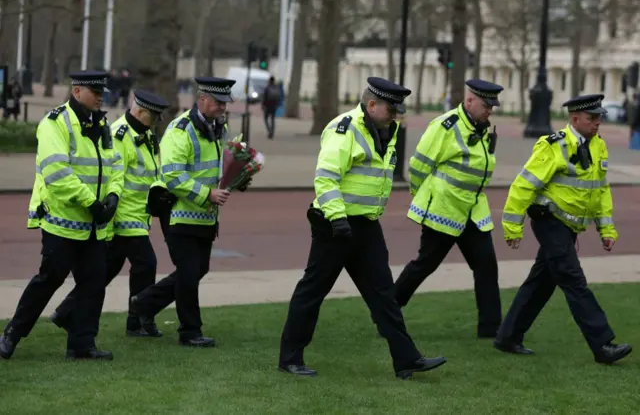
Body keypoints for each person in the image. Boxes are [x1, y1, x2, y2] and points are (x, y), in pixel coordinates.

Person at [278, 77, 447, 379]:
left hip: (366, 225)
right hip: (335, 225)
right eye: (391, 109)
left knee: (384, 295)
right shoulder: (346, 129)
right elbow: (326, 178)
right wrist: (338, 218)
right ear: (372, 105)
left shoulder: (384, 130)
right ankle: (290, 358)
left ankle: (406, 359)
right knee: (313, 291)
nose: (396, 115)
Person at [495, 93, 632, 364]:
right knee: (573, 279)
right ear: (575, 119)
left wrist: (607, 230)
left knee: (540, 283)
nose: (597, 123)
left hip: (570, 226)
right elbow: (523, 186)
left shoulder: (598, 146)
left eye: (599, 118)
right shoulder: (552, 146)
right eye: (592, 118)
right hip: (549, 222)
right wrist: (513, 227)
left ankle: (508, 337)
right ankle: (602, 344)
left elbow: (600, 190)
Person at [0, 70, 124, 360]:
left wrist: (114, 195)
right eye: (95, 93)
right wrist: (92, 202)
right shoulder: (55, 123)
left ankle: (82, 344)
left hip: (92, 223)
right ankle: (12, 334)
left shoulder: (101, 124)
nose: (100, 98)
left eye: (102, 93)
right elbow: (57, 174)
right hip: (62, 220)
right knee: (50, 279)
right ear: (77, 91)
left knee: (93, 282)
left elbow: (115, 165)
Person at [386, 79, 504, 339]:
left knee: (486, 266)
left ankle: (492, 328)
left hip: (473, 211)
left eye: (492, 106)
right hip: (444, 210)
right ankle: (387, 313)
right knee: (425, 264)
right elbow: (418, 167)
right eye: (486, 105)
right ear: (470, 100)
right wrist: (423, 199)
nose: (490, 111)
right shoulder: (445, 126)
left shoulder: (483, 128)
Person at [50, 90, 170, 338]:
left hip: (138, 214)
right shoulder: (120, 134)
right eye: (154, 116)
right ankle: (137, 320)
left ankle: (65, 312)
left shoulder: (145, 133)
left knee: (105, 271)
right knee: (146, 263)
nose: (157, 122)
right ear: (141, 112)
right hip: (124, 215)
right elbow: (114, 178)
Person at [129, 77, 238, 348]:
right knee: (189, 273)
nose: (223, 107)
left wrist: (234, 178)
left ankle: (144, 303)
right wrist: (208, 193)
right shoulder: (182, 128)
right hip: (179, 215)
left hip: (205, 215)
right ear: (202, 99)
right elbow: (173, 175)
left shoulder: (217, 127)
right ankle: (190, 331)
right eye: (218, 102)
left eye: (225, 103)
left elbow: (214, 166)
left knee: (199, 269)